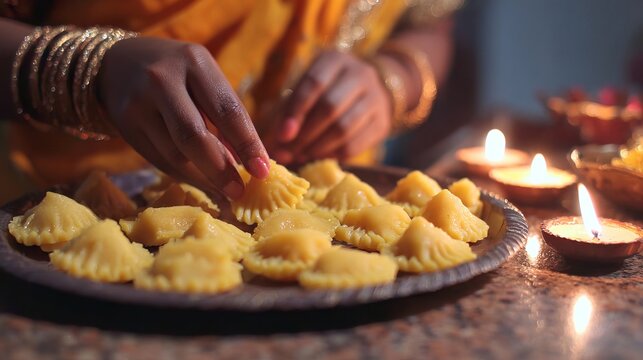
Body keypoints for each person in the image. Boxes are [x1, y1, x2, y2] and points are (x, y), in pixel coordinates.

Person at [0, 0, 458, 201]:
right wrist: (90, 70)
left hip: (343, 244)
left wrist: (392, 80)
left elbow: (430, 21)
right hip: (74, 234)